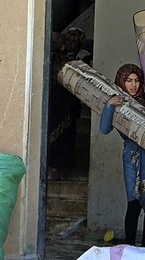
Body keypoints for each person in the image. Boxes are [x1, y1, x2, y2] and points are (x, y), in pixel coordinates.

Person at [99, 63, 145, 247]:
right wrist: (109, 105)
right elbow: (104, 129)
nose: (133, 85)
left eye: (137, 80)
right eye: (128, 80)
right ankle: (130, 247)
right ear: (121, 81)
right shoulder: (118, 103)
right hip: (133, 157)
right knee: (134, 202)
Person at [47, 27, 87, 181]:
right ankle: (53, 168)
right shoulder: (56, 56)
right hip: (55, 100)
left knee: (67, 136)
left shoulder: (81, 59)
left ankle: (64, 168)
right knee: (52, 134)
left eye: (74, 40)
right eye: (68, 39)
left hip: (70, 102)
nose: (70, 43)